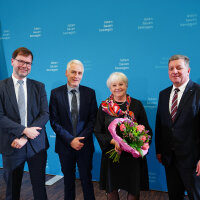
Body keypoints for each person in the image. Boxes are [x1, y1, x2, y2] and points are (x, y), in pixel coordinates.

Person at [0, 47, 49, 200]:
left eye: (28, 63)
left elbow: (44, 114)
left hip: (36, 146)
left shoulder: (39, 86)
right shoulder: (1, 87)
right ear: (12, 61)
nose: (25, 65)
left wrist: (26, 136)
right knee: (12, 191)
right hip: (12, 144)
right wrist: (23, 131)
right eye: (21, 61)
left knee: (40, 189)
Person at [94, 72, 152, 200]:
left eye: (121, 84)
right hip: (112, 154)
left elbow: (146, 129)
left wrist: (136, 143)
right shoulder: (104, 106)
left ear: (126, 85)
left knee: (133, 190)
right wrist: (113, 141)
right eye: (114, 85)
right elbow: (98, 130)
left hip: (132, 156)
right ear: (110, 88)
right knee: (112, 191)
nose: (118, 87)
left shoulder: (136, 105)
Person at [49, 59, 97, 200]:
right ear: (66, 73)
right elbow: (54, 121)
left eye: (80, 73)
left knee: (86, 181)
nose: (76, 75)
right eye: (73, 72)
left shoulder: (90, 93)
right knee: (68, 182)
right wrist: (70, 140)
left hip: (84, 145)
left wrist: (80, 139)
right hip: (65, 146)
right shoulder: (55, 93)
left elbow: (93, 120)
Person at [155, 55, 200, 200]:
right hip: (169, 158)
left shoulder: (198, 92)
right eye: (171, 68)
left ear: (188, 70)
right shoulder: (163, 94)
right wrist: (159, 150)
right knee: (174, 196)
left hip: (192, 160)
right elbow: (160, 124)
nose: (175, 71)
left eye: (179, 67)